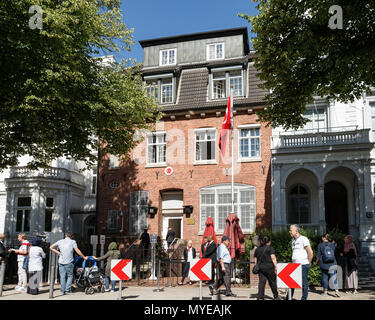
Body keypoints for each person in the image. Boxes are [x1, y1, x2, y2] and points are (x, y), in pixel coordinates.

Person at [287, 224, 313, 300]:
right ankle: (288, 297)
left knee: (304, 283)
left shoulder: (303, 239)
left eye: (291, 230)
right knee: (291, 282)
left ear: (296, 231)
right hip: (294, 265)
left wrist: (309, 262)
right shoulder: (293, 241)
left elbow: (310, 252)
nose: (289, 232)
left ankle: (304, 298)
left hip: (303, 265)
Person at [254, 236, 280, 300]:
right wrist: (276, 267)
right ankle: (275, 296)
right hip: (269, 268)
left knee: (261, 282)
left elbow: (255, 260)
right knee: (272, 282)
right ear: (268, 242)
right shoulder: (270, 248)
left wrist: (257, 266)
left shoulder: (257, 249)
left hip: (261, 268)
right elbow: (273, 258)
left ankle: (260, 297)